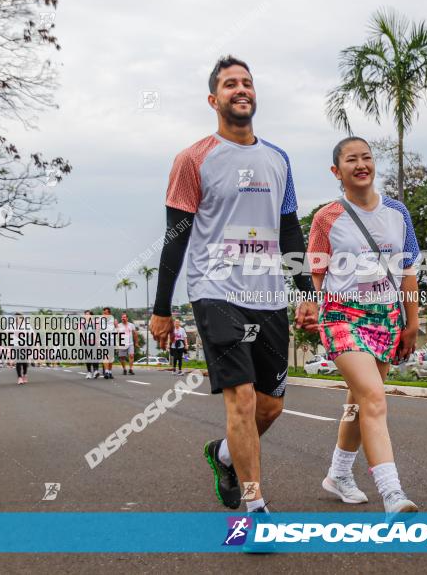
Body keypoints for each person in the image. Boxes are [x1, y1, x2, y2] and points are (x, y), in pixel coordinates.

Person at [149, 56, 318, 514]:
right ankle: (254, 506)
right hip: (214, 290)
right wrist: (162, 308)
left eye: (246, 83)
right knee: (241, 397)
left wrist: (306, 295)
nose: (240, 89)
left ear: (254, 95)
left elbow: (289, 232)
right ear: (213, 99)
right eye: (229, 84)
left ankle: (222, 454)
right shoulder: (193, 159)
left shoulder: (278, 159)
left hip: (267, 295)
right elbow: (176, 237)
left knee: (269, 408)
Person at [307, 136, 421, 517]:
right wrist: (319, 309)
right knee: (374, 396)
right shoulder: (326, 217)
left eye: (367, 158)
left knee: (358, 401)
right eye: (351, 160)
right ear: (336, 171)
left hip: (386, 316)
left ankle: (338, 474)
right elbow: (317, 273)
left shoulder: (397, 212)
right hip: (341, 314)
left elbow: (408, 271)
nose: (361, 165)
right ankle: (393, 493)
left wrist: (412, 322)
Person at [13, 312, 30, 384]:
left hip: (25, 345)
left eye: (20, 317)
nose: (18, 319)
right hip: (16, 345)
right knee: (18, 361)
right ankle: (19, 377)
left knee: (24, 362)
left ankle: (25, 374)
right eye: (17, 318)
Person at [82, 310, 100, 379]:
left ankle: (95, 371)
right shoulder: (83, 323)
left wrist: (98, 342)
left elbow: (98, 332)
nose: (86, 316)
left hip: (94, 341)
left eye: (87, 314)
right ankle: (89, 372)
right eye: (85, 314)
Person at [101, 307, 115, 379]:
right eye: (103, 313)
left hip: (112, 340)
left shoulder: (113, 320)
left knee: (111, 357)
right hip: (104, 340)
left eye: (106, 313)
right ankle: (106, 371)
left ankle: (110, 372)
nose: (104, 314)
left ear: (109, 314)